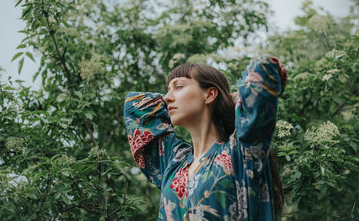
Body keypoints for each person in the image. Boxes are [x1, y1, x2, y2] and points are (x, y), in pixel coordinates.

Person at [123, 54, 287, 220]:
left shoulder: (239, 153)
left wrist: (229, 98)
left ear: (209, 94)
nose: (167, 97)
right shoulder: (175, 160)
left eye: (178, 86)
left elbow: (264, 69)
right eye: (168, 89)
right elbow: (135, 108)